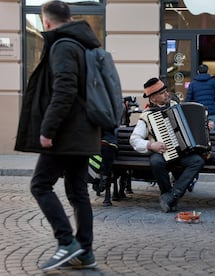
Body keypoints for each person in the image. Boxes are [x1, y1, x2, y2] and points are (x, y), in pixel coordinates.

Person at [14, 0, 99, 271]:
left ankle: (67, 242)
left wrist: (48, 129)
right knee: (78, 191)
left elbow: (65, 89)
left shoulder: (63, 46)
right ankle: (85, 251)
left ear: (46, 21)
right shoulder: (83, 44)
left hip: (66, 133)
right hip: (84, 131)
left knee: (40, 185)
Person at [129, 77, 205, 213]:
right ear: (153, 99)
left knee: (197, 161)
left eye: (166, 91)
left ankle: (172, 196)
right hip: (161, 152)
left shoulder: (178, 108)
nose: (166, 94)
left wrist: (205, 126)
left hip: (182, 152)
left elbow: (193, 127)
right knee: (156, 162)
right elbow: (134, 139)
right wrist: (151, 145)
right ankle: (166, 193)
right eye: (162, 93)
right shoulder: (147, 116)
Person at [186, 64, 215, 130]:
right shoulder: (213, 81)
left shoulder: (193, 83)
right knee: (213, 134)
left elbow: (188, 100)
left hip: (198, 112)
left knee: (200, 133)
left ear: (198, 72)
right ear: (207, 71)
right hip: (211, 111)